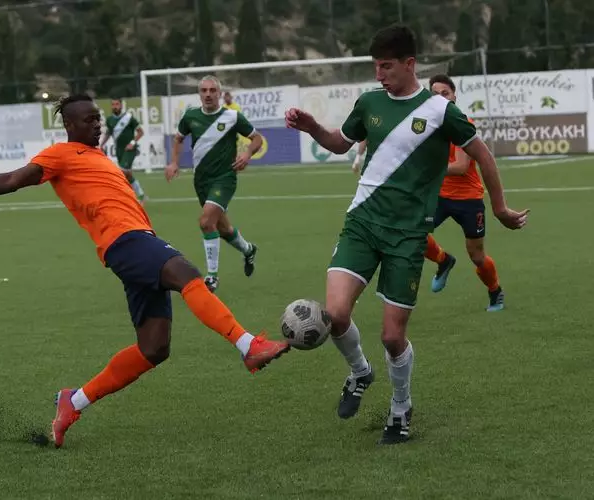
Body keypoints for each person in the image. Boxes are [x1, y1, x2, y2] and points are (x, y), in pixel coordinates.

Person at [0, 94, 290, 448]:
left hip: (137, 241)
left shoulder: (98, 157)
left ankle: (73, 402)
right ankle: (249, 345)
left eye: (98, 118)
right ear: (69, 125)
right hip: (124, 241)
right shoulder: (58, 155)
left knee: (154, 348)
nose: (97, 124)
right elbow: (13, 179)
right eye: (89, 120)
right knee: (185, 273)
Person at [285, 24, 528, 444]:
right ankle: (360, 372)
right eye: (376, 66)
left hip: (408, 236)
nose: (379, 74)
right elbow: (340, 143)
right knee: (335, 315)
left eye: (386, 66)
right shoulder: (369, 102)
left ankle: (401, 407)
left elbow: (483, 156)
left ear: (409, 64)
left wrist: (500, 207)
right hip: (362, 223)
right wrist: (312, 127)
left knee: (392, 336)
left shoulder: (440, 111)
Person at [165, 76, 261, 293]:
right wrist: (174, 162)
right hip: (201, 181)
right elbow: (178, 138)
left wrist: (247, 153)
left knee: (206, 222)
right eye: (204, 90)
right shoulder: (190, 116)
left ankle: (212, 277)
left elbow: (257, 138)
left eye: (212, 90)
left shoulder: (232, 117)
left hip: (225, 178)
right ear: (199, 93)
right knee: (223, 229)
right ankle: (248, 250)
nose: (208, 94)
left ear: (219, 93)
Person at [425, 74, 504, 311]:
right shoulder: (427, 125)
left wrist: (428, 169)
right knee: (412, 233)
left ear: (454, 97)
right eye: (435, 94)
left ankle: (495, 291)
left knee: (477, 255)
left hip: (469, 199)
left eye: (445, 93)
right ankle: (443, 260)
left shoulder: (461, 123)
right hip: (440, 196)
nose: (440, 98)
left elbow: (460, 167)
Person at [99, 98, 147, 204]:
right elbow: (108, 133)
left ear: (121, 105)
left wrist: (132, 143)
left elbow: (140, 132)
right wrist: (102, 145)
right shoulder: (109, 120)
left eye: (117, 104)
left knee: (122, 172)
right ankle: (142, 196)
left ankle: (122, 197)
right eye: (113, 104)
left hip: (130, 150)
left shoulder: (129, 118)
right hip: (119, 150)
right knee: (128, 174)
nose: (115, 106)